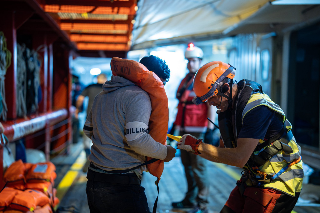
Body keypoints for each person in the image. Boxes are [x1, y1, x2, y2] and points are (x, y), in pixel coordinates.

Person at [178, 61, 304, 213]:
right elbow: (224, 154)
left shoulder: (257, 109)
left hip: (280, 181)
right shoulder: (229, 110)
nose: (210, 103)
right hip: (255, 178)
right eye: (206, 100)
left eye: (211, 97)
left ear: (225, 88)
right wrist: (200, 147)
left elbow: (238, 158)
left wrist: (197, 147)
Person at [84, 55, 176, 213]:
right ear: (149, 77)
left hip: (94, 181)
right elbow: (137, 139)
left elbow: (88, 130)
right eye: (159, 83)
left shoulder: (102, 95)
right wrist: (164, 152)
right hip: (121, 185)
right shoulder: (138, 96)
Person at [171, 43, 217, 213]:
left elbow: (211, 106)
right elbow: (182, 105)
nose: (191, 63)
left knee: (198, 167)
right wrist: (175, 128)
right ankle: (190, 199)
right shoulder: (186, 79)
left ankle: (202, 204)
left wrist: (211, 130)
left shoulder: (204, 81)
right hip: (184, 129)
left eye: (194, 60)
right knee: (187, 166)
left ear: (200, 62)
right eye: (189, 61)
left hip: (199, 131)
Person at [75, 73, 107, 159]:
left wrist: (77, 110)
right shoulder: (109, 88)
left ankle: (87, 153)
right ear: (105, 79)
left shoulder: (90, 86)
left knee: (87, 136)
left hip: (90, 116)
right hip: (104, 118)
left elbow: (80, 99)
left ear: (97, 79)